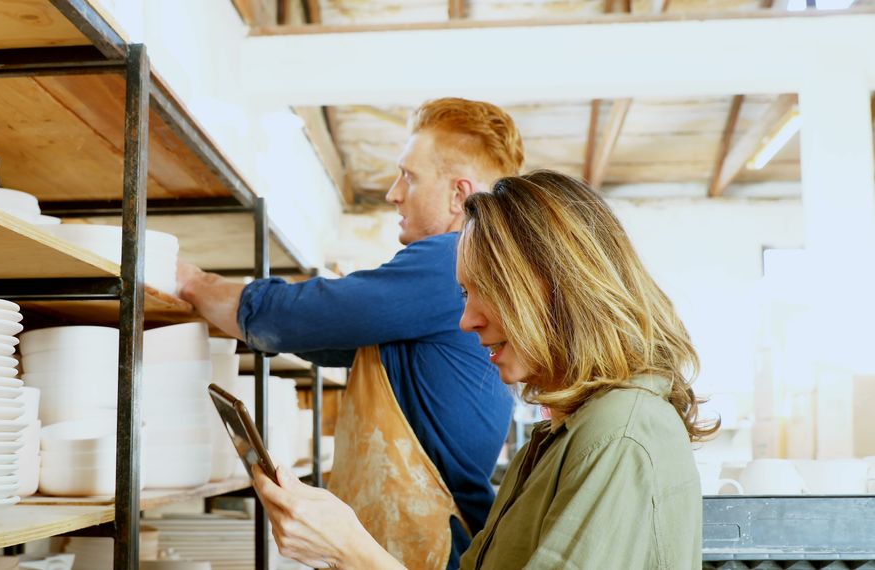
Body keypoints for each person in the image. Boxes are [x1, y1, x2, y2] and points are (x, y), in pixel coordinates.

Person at [251, 170, 718, 570]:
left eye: (486, 290)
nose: (466, 320)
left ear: (557, 287)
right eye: (464, 294)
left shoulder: (619, 437)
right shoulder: (560, 436)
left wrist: (350, 549)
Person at [177, 98, 525, 569]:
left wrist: (194, 284)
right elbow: (325, 334)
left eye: (409, 176)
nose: (393, 194)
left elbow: (305, 316)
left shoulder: (453, 258)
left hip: (429, 548)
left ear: (458, 195)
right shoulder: (458, 277)